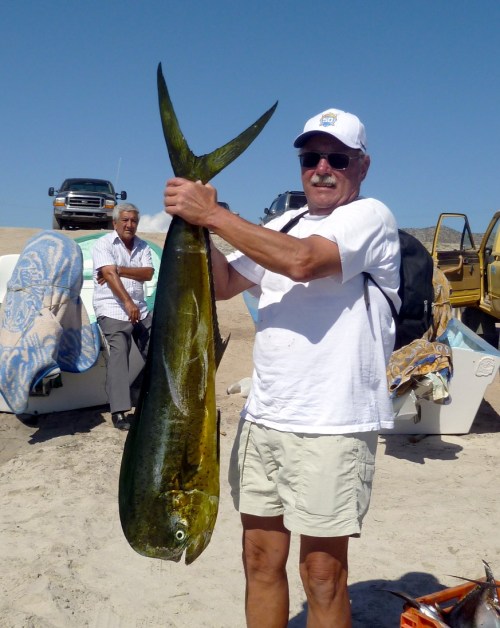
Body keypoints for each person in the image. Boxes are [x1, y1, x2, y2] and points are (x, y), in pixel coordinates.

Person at [164, 109, 400, 627]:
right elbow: (224, 283)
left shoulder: (370, 217)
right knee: (258, 560)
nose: (321, 168)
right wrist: (191, 221)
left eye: (336, 158)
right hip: (264, 419)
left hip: (331, 426)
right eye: (310, 157)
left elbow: (302, 262)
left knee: (321, 574)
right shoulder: (282, 223)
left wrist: (215, 217)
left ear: (361, 165)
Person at [92, 203, 154, 431]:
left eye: (134, 221)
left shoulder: (143, 246)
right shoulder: (103, 244)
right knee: (119, 352)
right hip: (112, 309)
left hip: (140, 310)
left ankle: (151, 400)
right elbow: (106, 274)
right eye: (125, 220)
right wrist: (127, 302)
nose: (130, 225)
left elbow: (147, 273)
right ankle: (119, 411)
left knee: (158, 349)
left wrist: (118, 269)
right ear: (115, 223)